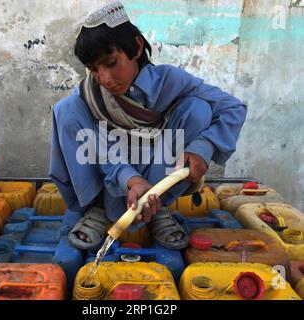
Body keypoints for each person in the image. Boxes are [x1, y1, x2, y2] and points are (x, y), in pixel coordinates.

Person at [49, 1, 247, 250]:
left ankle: (156, 207)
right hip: (112, 167)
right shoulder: (91, 95)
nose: (105, 79)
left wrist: (203, 147)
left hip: (157, 166)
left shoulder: (170, 81)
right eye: (93, 69)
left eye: (111, 63)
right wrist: (131, 179)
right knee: (66, 110)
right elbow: (100, 149)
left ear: (136, 46)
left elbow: (232, 107)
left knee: (198, 109)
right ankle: (98, 208)